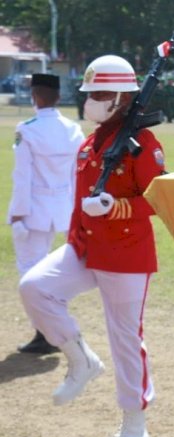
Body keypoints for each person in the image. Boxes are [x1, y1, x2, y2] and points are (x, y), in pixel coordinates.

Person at [19, 55, 163, 437]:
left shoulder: (143, 143)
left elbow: (159, 199)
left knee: (125, 340)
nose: (91, 100)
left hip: (126, 253)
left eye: (99, 93)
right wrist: (78, 234)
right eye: (89, 93)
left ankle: (135, 431)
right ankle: (81, 358)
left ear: (120, 97)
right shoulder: (91, 140)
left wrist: (117, 207)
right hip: (85, 247)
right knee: (35, 287)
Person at [10, 73, 84, 355]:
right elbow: (76, 175)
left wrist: (17, 214)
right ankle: (52, 328)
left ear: (36, 97)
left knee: (30, 270)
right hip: (64, 208)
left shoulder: (27, 129)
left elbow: (22, 176)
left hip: (35, 209)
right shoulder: (73, 129)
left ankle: (45, 332)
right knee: (56, 272)